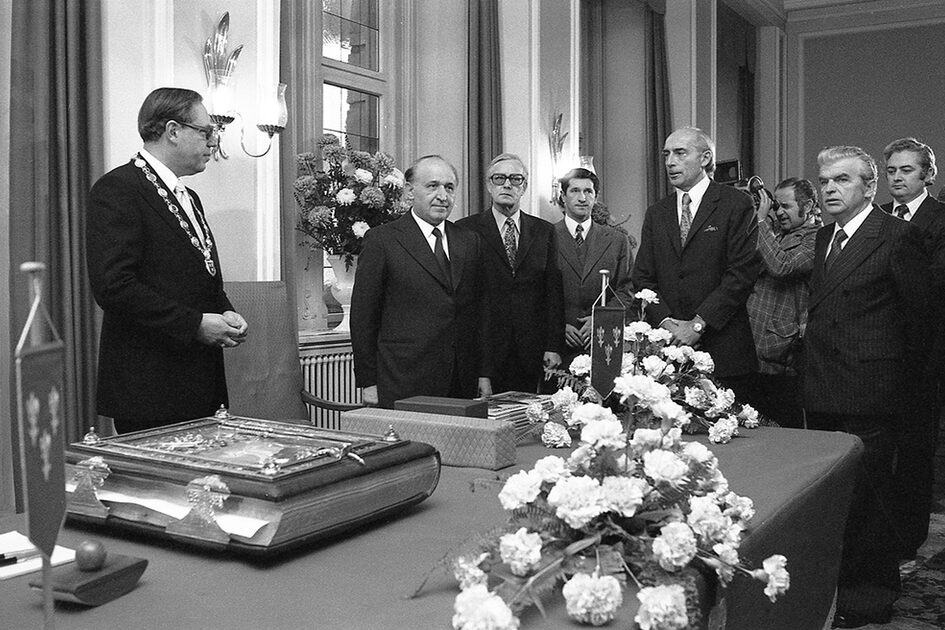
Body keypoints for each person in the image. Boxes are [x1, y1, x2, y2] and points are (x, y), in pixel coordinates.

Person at [803, 145, 930, 628]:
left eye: (842, 180)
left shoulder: (897, 236)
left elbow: (921, 321)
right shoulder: (824, 237)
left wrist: (905, 393)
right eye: (824, 181)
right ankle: (835, 591)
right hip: (824, 388)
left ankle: (870, 597)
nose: (830, 189)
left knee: (870, 501)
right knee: (834, 499)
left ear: (869, 187)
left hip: (872, 391)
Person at [86, 87, 249, 434]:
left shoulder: (189, 196)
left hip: (199, 380)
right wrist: (195, 324)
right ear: (173, 131)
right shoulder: (118, 189)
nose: (213, 142)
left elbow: (199, 274)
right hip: (150, 388)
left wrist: (224, 310)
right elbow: (114, 287)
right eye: (205, 131)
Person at [631, 127, 760, 400]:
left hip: (723, 351)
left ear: (705, 158)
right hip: (666, 355)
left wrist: (698, 325)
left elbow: (741, 274)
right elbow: (643, 278)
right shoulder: (657, 213)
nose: (670, 162)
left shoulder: (736, 204)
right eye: (666, 154)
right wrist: (667, 323)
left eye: (680, 153)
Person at [351, 154, 489, 408]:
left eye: (449, 187)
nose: (442, 195)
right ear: (409, 192)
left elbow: (479, 312)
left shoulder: (469, 241)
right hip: (403, 379)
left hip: (460, 380)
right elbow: (363, 317)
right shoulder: (383, 240)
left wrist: (482, 373)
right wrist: (368, 381)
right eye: (432, 186)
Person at [880, 137, 945, 561]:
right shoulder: (876, 216)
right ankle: (879, 536)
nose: (897, 178)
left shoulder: (941, 218)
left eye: (907, 170)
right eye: (891, 171)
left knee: (915, 453)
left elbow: (934, 285)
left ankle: (908, 540)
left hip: (923, 355)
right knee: (880, 454)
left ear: (927, 175)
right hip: (876, 354)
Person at [457, 153, 564, 393]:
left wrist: (553, 345)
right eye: (499, 178)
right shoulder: (465, 230)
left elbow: (553, 293)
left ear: (524, 186)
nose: (507, 185)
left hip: (531, 349)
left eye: (515, 179)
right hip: (484, 349)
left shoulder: (544, 231)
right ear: (489, 185)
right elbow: (465, 300)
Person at [746, 177, 820, 428]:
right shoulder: (775, 232)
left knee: (785, 429)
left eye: (786, 206)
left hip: (781, 352)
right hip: (753, 343)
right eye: (776, 206)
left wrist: (760, 221)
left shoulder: (818, 238)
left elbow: (782, 266)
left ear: (807, 206)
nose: (779, 212)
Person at [552, 167, 633, 368]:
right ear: (563, 196)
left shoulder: (617, 240)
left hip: (603, 343)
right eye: (575, 191)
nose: (582, 198)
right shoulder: (546, 237)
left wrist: (601, 319)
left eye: (588, 191)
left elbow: (626, 290)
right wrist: (558, 326)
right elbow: (535, 293)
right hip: (557, 347)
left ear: (596, 197)